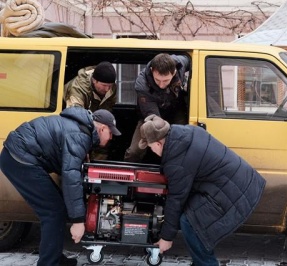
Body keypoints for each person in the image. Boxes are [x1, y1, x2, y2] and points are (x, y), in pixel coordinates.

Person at [138, 114, 266, 265]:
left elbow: (176, 199)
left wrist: (167, 238)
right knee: (192, 216)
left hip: (234, 193)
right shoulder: (187, 132)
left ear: (158, 143)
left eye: (151, 147)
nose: (151, 151)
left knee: (191, 223)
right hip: (241, 183)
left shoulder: (177, 161)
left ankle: (206, 263)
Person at [0, 107, 121, 266]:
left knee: (56, 208)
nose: (111, 137)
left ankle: (54, 258)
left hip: (18, 155)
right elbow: (71, 176)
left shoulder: (80, 128)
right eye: (110, 133)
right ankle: (49, 262)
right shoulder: (79, 135)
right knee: (53, 211)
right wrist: (78, 221)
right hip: (19, 159)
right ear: (102, 128)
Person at [124, 53, 190, 162]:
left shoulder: (180, 63)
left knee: (181, 144)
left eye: (165, 80)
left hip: (177, 111)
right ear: (151, 70)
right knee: (135, 151)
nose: (161, 85)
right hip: (151, 117)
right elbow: (155, 120)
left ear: (174, 72)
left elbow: (192, 60)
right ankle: (126, 173)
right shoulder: (142, 85)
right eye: (157, 80)